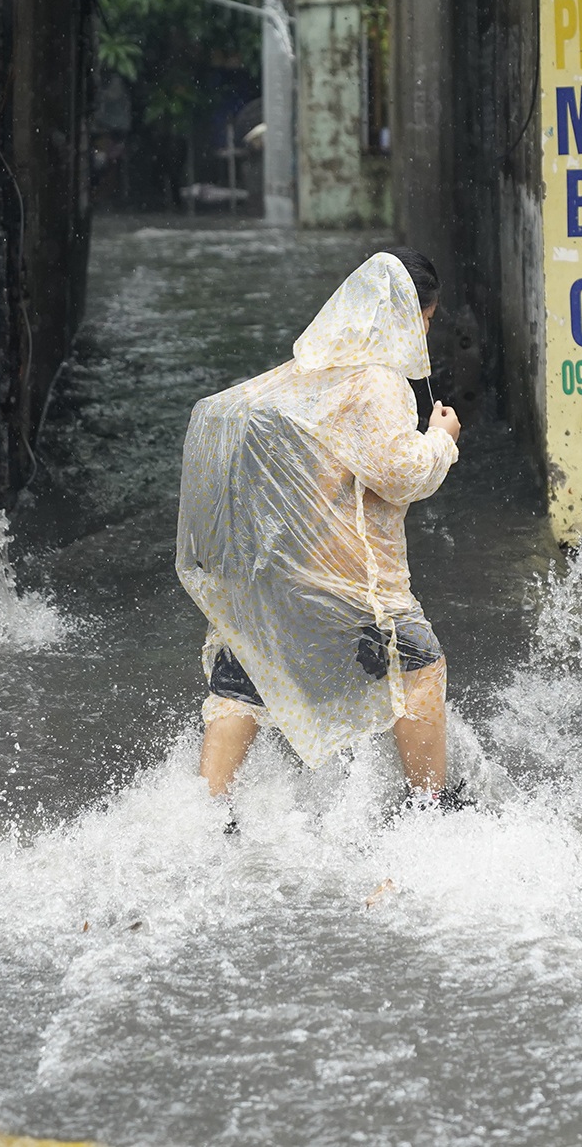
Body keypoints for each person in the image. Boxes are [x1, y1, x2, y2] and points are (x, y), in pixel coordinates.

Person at [174, 249, 464, 814]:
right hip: (349, 575)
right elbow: (400, 475)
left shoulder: (310, 372)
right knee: (419, 666)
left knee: (246, 673)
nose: (425, 333)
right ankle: (431, 811)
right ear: (407, 317)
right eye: (426, 320)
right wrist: (441, 438)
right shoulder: (378, 381)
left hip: (273, 564)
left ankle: (205, 815)